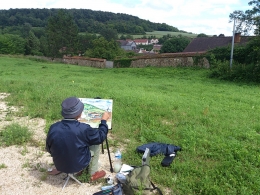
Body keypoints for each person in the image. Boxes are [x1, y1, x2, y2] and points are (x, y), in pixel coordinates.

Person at [46, 96, 110, 181]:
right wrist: (104, 121)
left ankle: (62, 168)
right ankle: (93, 173)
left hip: (60, 165)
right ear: (79, 114)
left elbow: (48, 148)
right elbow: (100, 137)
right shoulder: (83, 128)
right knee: (95, 144)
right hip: (79, 164)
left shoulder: (53, 127)